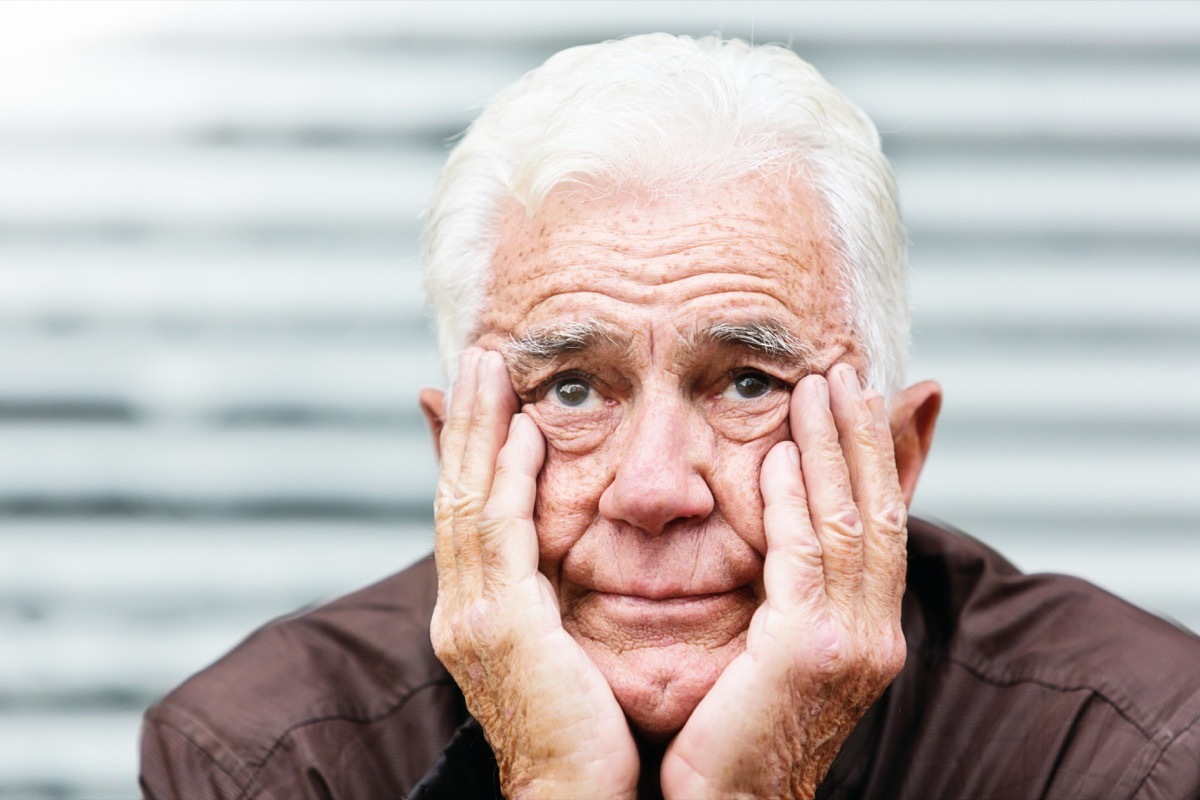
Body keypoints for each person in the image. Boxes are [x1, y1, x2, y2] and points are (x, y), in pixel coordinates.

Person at [140, 34, 1200, 799]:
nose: (654, 488)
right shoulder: (268, 758)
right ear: (455, 463)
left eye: (748, 381)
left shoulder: (1139, 753)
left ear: (896, 453)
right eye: (571, 389)